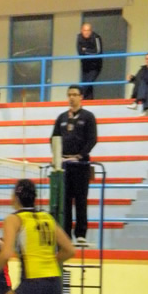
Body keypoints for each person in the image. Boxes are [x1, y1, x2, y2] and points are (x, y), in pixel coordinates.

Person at [50, 85, 97, 246]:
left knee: (81, 200)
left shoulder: (88, 117)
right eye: (69, 94)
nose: (71, 97)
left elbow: (92, 139)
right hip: (64, 166)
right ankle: (66, 235)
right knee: (65, 201)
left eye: (75, 94)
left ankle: (81, 234)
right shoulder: (62, 117)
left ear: (81, 97)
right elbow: (53, 139)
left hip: (81, 165)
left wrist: (79, 156)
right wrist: (57, 157)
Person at [76, 22, 103, 100]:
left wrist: (86, 50)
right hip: (85, 65)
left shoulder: (96, 37)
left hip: (95, 65)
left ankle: (79, 96)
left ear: (91, 31)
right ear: (81, 31)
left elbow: (98, 52)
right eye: (85, 30)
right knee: (87, 85)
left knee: (87, 83)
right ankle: (89, 101)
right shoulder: (79, 37)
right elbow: (80, 52)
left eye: (88, 30)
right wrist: (89, 51)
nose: (86, 32)